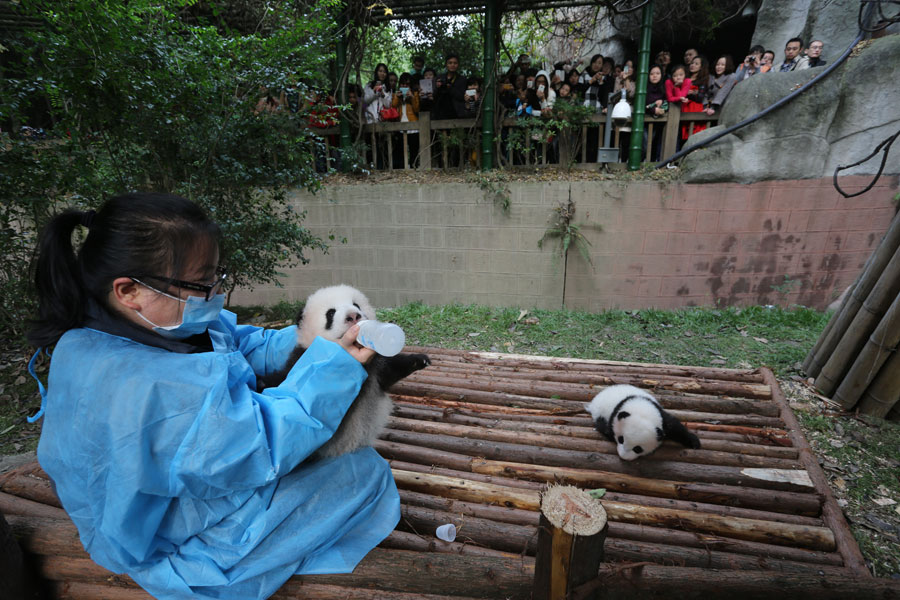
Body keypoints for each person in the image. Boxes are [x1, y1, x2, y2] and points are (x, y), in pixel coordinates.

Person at [26, 193, 400, 600]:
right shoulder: (143, 384)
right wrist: (332, 368)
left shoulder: (139, 321)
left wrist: (312, 337)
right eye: (202, 282)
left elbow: (237, 344)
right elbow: (263, 443)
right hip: (161, 534)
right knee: (362, 473)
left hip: (170, 489)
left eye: (216, 276)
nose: (214, 292)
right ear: (130, 289)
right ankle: (209, 571)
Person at [682, 55, 712, 139]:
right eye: (692, 63)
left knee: (692, 134)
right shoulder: (685, 77)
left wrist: (690, 94)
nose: (692, 65)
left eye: (696, 64)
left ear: (702, 67)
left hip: (693, 108)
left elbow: (699, 98)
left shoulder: (702, 80)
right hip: (682, 107)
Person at [434, 53, 467, 119]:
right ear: (446, 65)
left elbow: (462, 96)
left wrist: (450, 88)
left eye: (455, 63)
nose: (453, 65)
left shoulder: (462, 79)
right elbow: (434, 95)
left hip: (456, 111)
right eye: (450, 63)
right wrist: (437, 87)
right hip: (440, 110)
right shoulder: (439, 78)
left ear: (458, 65)